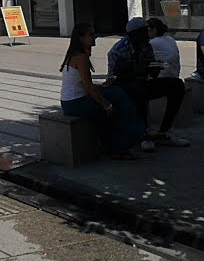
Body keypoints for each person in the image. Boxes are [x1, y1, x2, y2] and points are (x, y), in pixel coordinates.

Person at [60, 23, 145, 160]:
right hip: (76, 103)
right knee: (117, 98)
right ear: (81, 38)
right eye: (91, 35)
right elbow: (88, 86)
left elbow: (84, 84)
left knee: (113, 95)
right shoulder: (81, 57)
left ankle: (117, 143)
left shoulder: (75, 55)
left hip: (72, 102)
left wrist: (103, 88)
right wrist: (107, 105)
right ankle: (128, 139)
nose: (95, 38)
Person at [107, 17, 190, 150]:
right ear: (135, 34)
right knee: (138, 89)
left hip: (142, 82)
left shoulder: (146, 45)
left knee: (177, 85)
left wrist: (154, 70)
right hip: (124, 87)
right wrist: (136, 72)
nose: (148, 34)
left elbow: (150, 70)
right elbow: (113, 78)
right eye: (144, 31)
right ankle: (144, 134)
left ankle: (165, 131)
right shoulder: (118, 50)